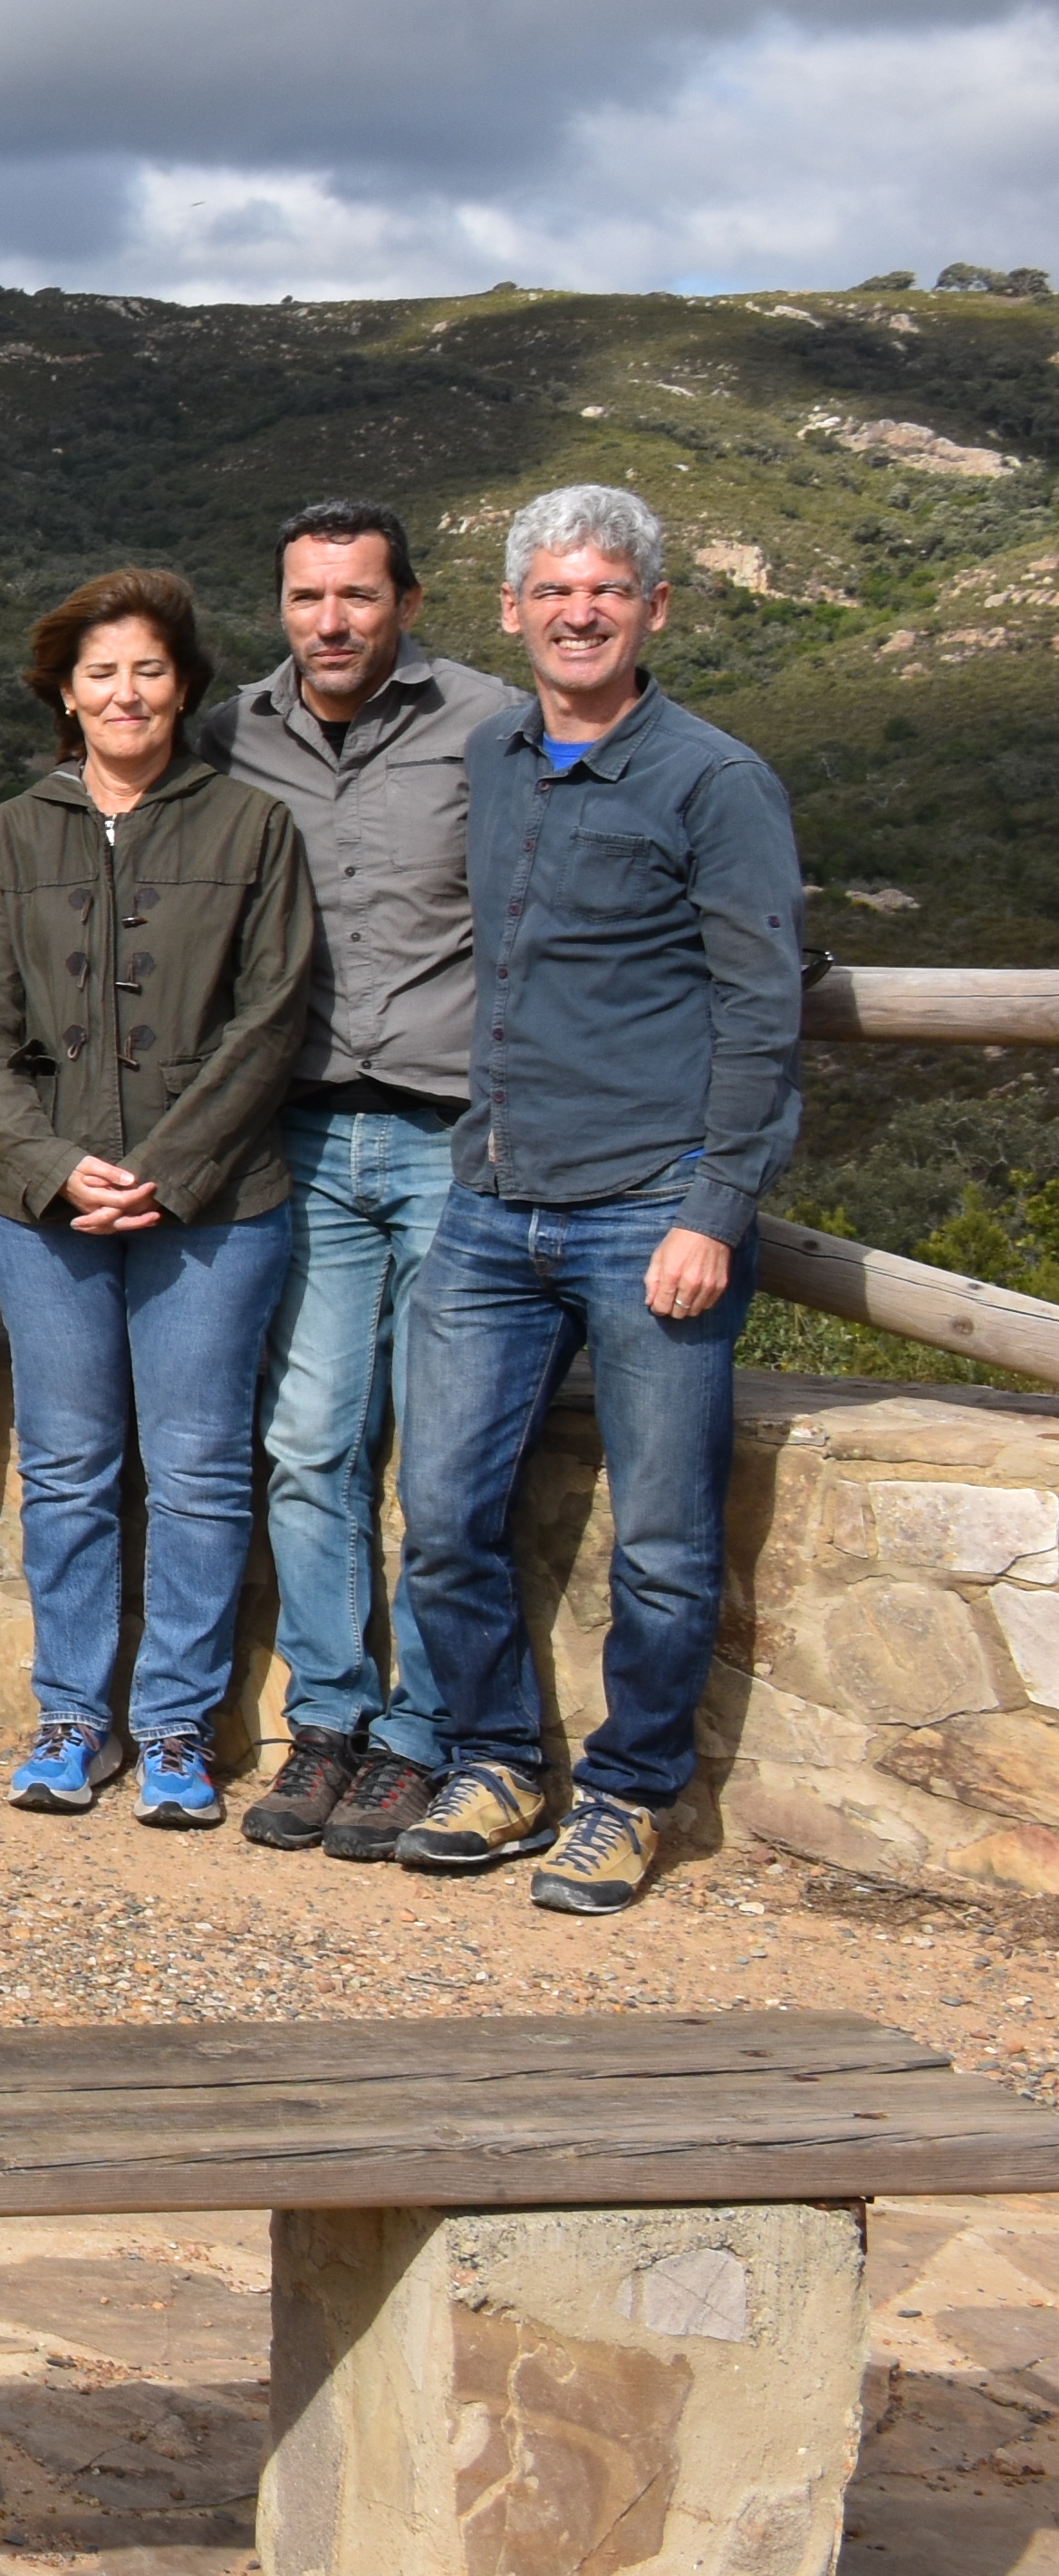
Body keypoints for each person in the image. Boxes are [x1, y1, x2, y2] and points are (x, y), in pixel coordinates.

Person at [383, 484, 802, 1915]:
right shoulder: (496, 756)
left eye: (609, 592)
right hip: (492, 1198)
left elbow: (761, 1014)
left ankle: (629, 1797)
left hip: (649, 1210)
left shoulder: (714, 780)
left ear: (655, 610)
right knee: (439, 1509)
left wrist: (715, 1209)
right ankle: (497, 1760)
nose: (580, 613)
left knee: (670, 1544)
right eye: (554, 591)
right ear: (511, 611)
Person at [0, 569, 317, 1830]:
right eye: (101, 673)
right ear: (65, 691)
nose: (126, 693)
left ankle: (174, 1731)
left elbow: (271, 1019)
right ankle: (70, 1717)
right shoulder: (8, 836)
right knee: (66, 1466)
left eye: (149, 671)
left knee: (202, 1468)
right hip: (39, 1208)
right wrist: (56, 1166)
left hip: (213, 1205)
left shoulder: (251, 830)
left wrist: (172, 1164)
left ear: (186, 688)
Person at [198, 499, 522, 1857]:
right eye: (306, 598)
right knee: (310, 1439)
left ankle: (423, 1739)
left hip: (459, 1142)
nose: (331, 623)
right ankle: (329, 1721)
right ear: (280, 604)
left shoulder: (495, 726)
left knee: (444, 1460)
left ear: (408, 601)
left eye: (357, 597)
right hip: (306, 1139)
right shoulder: (229, 735)